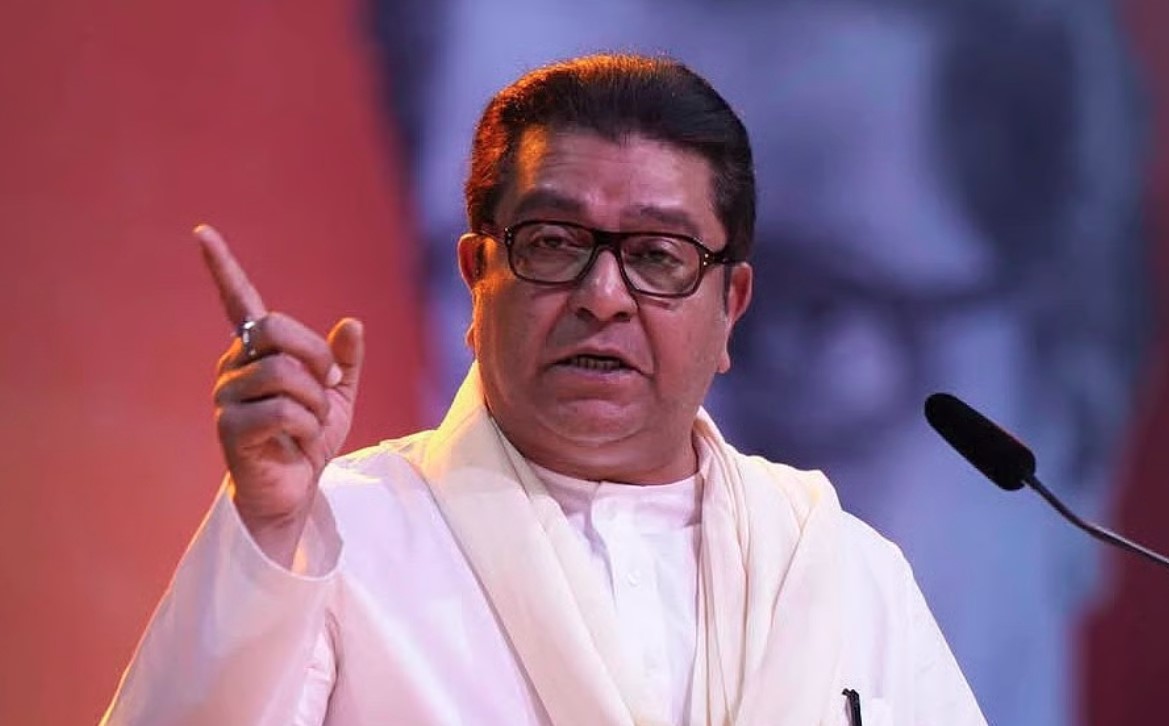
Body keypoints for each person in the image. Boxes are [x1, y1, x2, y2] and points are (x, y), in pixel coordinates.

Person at [102, 54, 986, 725]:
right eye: (554, 243)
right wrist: (263, 530)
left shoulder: (839, 569)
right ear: (476, 277)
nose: (603, 297)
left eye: (657, 256)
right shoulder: (341, 535)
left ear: (731, 306)